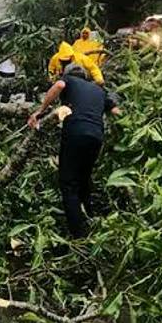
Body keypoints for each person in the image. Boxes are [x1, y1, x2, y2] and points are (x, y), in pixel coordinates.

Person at [28, 63, 120, 238]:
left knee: (68, 183)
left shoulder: (68, 80)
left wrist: (39, 112)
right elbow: (115, 111)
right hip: (96, 137)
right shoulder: (99, 90)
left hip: (76, 132)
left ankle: (79, 235)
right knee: (84, 179)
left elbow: (59, 86)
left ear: (68, 74)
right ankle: (90, 218)